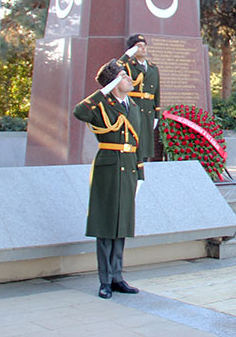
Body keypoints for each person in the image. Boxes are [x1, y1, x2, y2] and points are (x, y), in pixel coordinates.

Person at [73, 59, 145, 298]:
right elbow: (79, 112)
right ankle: (105, 281)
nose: (129, 79)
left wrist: (140, 173)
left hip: (128, 168)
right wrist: (103, 91)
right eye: (124, 76)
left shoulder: (132, 105)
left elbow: (138, 142)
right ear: (114, 82)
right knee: (106, 226)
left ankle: (117, 277)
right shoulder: (102, 104)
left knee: (120, 225)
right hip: (108, 166)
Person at [118, 34, 161, 161]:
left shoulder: (153, 68)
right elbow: (116, 67)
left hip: (148, 111)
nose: (143, 48)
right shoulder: (127, 66)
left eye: (144, 46)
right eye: (138, 46)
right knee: (132, 145)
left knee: (145, 148)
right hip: (133, 108)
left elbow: (156, 93)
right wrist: (127, 55)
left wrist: (156, 114)